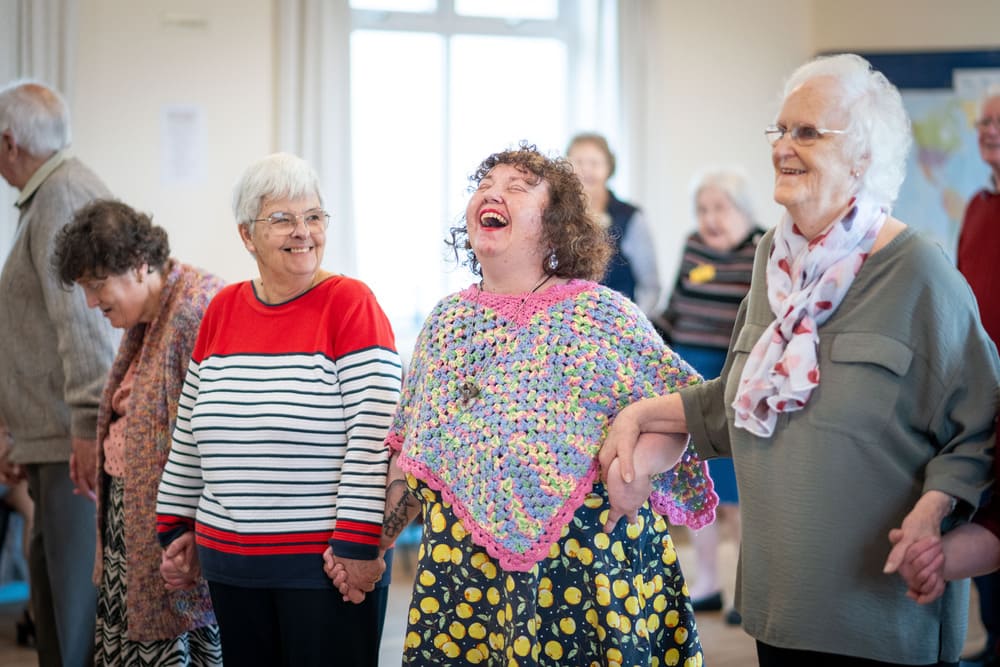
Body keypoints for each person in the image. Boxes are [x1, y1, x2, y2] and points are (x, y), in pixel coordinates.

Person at [601, 53, 1000, 667]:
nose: (783, 146)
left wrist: (937, 503)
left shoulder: (921, 273)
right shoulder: (771, 260)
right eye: (780, 129)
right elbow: (734, 400)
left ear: (862, 158)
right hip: (777, 608)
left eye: (807, 132)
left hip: (882, 617)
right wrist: (639, 415)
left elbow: (981, 431)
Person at [347, 144, 717, 665]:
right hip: (465, 580)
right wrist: (376, 545)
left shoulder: (605, 315)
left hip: (589, 570)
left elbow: (682, 412)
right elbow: (411, 455)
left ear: (556, 223)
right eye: (484, 185)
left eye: (517, 187)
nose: (492, 193)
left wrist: (640, 466)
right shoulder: (446, 324)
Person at [154, 152, 402, 666]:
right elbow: (192, 428)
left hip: (323, 568)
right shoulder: (223, 308)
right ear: (247, 235)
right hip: (231, 566)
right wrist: (176, 525)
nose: (303, 232)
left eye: (313, 217)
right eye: (283, 219)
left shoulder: (351, 304)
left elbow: (377, 431)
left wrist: (359, 546)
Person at [52, 199, 225, 665]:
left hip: (174, 545)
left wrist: (192, 535)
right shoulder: (149, 311)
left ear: (138, 264)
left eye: (95, 285)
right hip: (136, 529)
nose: (90, 302)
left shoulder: (195, 309)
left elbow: (217, 443)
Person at [0, 79, 120, 667]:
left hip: (73, 446)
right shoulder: (45, 199)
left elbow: (88, 324)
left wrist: (84, 427)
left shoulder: (64, 198)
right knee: (54, 610)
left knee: (74, 618)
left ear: (9, 141)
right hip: (49, 440)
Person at [894, 87, 1000, 667]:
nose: (988, 131)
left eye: (997, 123)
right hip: (985, 392)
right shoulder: (980, 208)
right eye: (983, 122)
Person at [652, 167, 764, 626]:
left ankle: (745, 591)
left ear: (743, 211)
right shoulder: (693, 245)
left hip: (736, 380)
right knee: (698, 485)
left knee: (740, 493)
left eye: (720, 208)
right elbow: (674, 309)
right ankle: (707, 585)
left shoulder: (763, 248)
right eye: (703, 209)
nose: (710, 218)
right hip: (689, 381)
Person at [566, 133, 661, 314]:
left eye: (594, 163)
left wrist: (633, 323)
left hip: (620, 323)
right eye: (578, 162)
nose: (586, 170)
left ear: (609, 168)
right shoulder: (557, 216)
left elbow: (650, 287)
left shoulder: (631, 217)